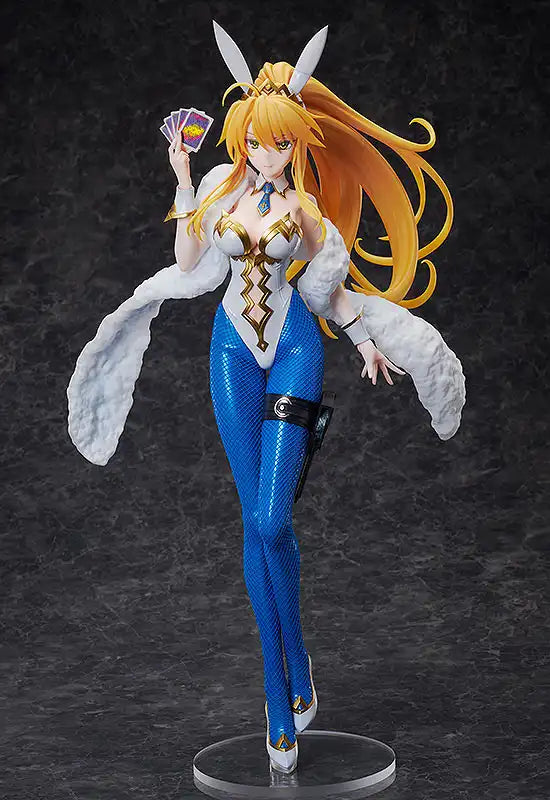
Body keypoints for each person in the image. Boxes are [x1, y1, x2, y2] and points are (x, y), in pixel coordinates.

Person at [67, 22, 465, 775]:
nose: (267, 152)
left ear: (296, 143)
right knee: (255, 523)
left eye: (280, 143)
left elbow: (328, 289)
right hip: (230, 353)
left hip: (294, 352)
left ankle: (296, 662)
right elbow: (188, 256)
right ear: (243, 136)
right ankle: (281, 695)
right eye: (257, 140)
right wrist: (183, 175)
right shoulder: (220, 191)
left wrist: (364, 340)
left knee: (272, 518)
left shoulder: (306, 213)